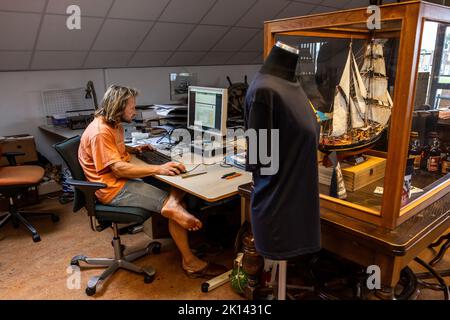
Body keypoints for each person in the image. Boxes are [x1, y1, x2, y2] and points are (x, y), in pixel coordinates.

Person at [78, 85, 226, 278]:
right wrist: (158, 168)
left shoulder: (113, 124)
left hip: (120, 180)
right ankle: (191, 263)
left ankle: (172, 205)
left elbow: (112, 152)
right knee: (174, 196)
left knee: (177, 185)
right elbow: (118, 168)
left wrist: (134, 150)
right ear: (118, 107)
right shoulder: (100, 132)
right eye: (131, 107)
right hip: (113, 188)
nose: (135, 110)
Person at [244, 42, 321, 260]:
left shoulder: (293, 85)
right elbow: (260, 160)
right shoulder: (264, 92)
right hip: (277, 209)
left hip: (298, 203)